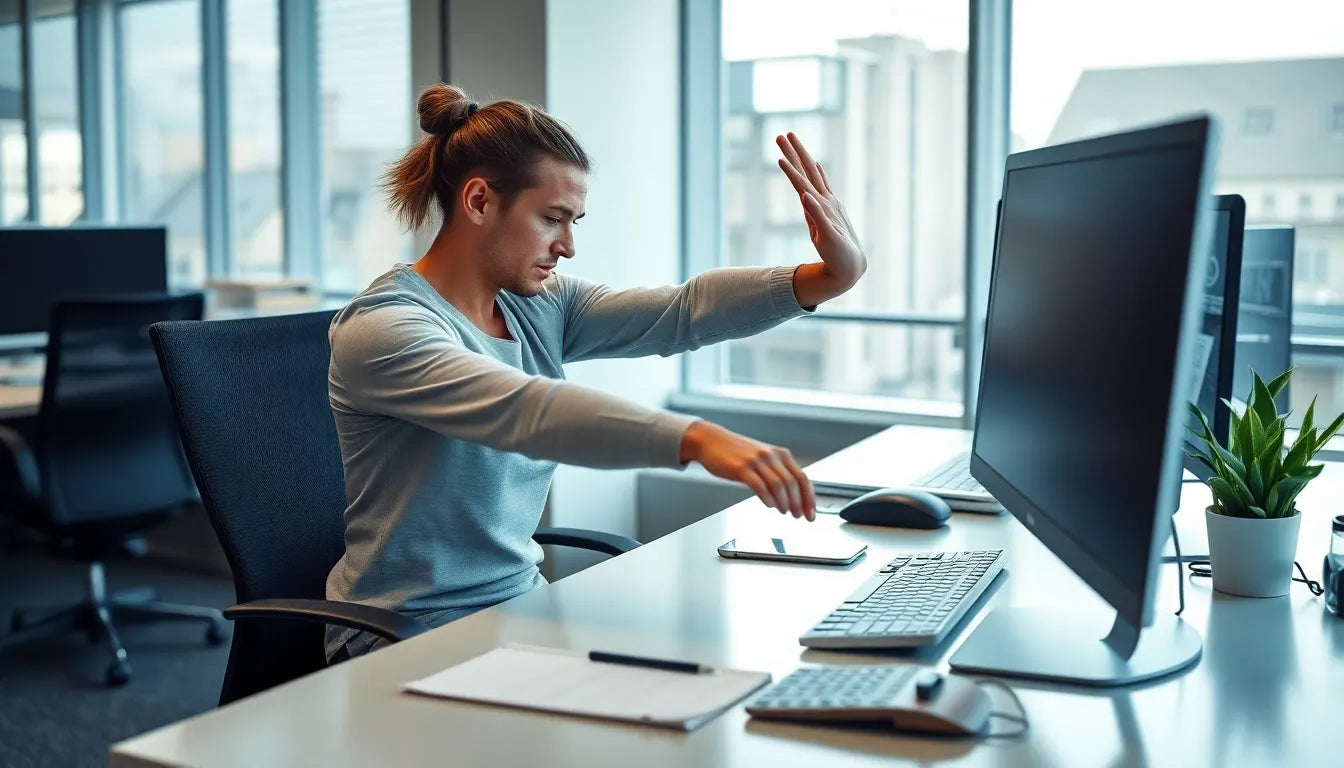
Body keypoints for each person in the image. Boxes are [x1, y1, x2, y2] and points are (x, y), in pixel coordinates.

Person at [325, 84, 868, 661]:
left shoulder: (535, 306)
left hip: (516, 611)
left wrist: (830, 276)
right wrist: (696, 438)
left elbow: (680, 310)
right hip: (401, 635)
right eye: (552, 219)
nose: (568, 246)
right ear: (480, 201)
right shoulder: (384, 331)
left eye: (574, 221)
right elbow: (525, 410)